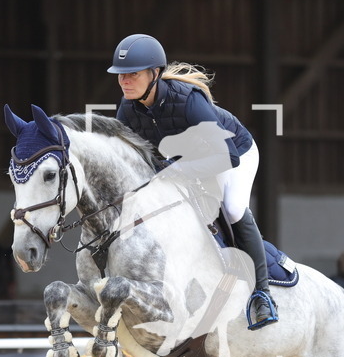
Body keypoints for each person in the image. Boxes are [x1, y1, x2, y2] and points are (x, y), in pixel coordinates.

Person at [107, 33, 278, 331]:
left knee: (234, 208)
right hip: (183, 163)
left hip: (232, 152)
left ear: (155, 73)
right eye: (121, 75)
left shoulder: (188, 100)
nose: (124, 81)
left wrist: (175, 171)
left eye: (132, 74)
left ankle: (262, 294)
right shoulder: (127, 109)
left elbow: (228, 157)